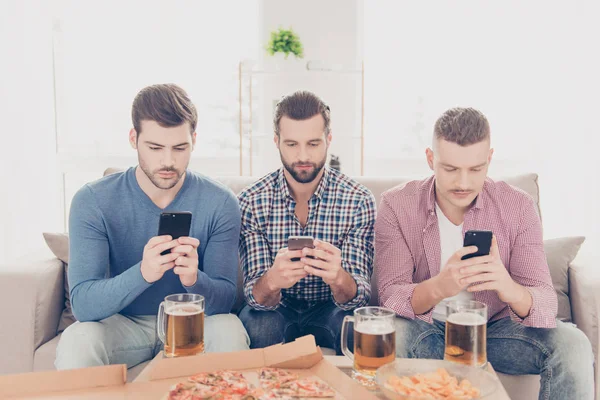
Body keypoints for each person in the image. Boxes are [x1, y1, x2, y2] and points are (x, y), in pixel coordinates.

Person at [375, 107, 594, 399]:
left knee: (573, 344)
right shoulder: (396, 205)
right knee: (395, 334)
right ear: (431, 159)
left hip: (495, 332)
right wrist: (439, 286)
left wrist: (508, 287)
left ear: (489, 159)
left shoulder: (518, 206)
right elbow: (390, 295)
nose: (463, 183)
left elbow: (544, 301)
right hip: (425, 331)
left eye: (475, 169)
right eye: (450, 169)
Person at [55, 83, 249, 370]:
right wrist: (144, 273)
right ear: (134, 138)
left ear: (194, 140)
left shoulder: (220, 202)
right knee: (77, 341)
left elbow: (225, 301)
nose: (168, 161)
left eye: (180, 148)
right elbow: (84, 305)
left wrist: (194, 279)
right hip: (122, 325)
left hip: (194, 322)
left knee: (230, 331)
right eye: (155, 147)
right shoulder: (93, 200)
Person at [237, 90, 376, 354]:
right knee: (260, 327)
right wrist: (273, 280)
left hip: (331, 307)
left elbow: (359, 295)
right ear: (277, 142)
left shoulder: (358, 199)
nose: (302, 156)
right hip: (277, 309)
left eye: (313, 143)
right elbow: (254, 296)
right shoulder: (251, 201)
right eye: (292, 144)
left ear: (328, 140)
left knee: (357, 328)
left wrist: (338, 278)